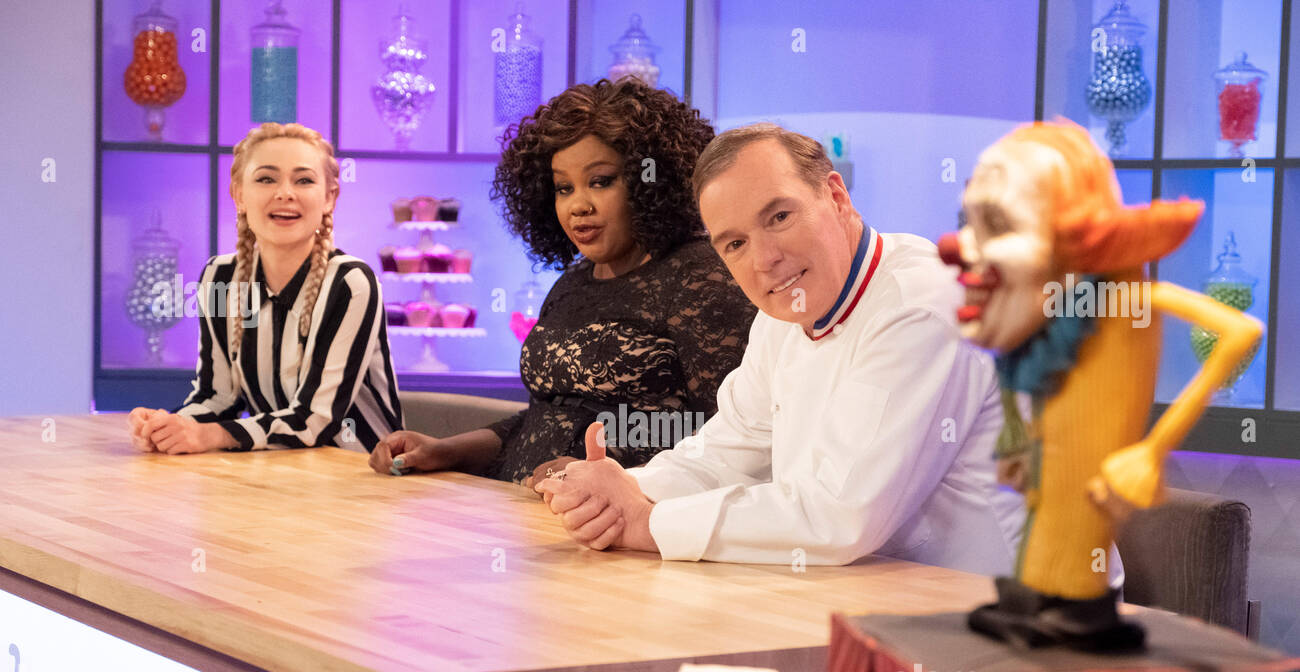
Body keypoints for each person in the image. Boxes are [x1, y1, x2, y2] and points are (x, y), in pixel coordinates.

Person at [536, 123, 1025, 576]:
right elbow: (730, 450)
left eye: (780, 216)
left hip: (1013, 625)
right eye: (734, 244)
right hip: (888, 598)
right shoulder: (786, 313)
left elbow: (840, 515)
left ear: (836, 197)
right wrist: (623, 491)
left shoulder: (918, 306)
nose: (765, 259)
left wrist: (648, 525)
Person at [367, 80, 755, 486]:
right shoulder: (573, 282)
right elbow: (545, 420)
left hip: (622, 533)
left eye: (601, 180)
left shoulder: (702, 278)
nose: (578, 205)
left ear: (650, 181)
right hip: (526, 518)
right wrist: (445, 450)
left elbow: (729, 440)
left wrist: (605, 475)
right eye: (563, 188)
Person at [128, 123, 402, 454]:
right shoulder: (219, 279)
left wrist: (210, 435)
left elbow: (314, 420)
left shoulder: (351, 283)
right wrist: (169, 426)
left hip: (361, 483)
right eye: (266, 178)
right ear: (239, 194)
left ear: (330, 197)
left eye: (304, 180)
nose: (285, 193)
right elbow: (218, 396)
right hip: (275, 474)